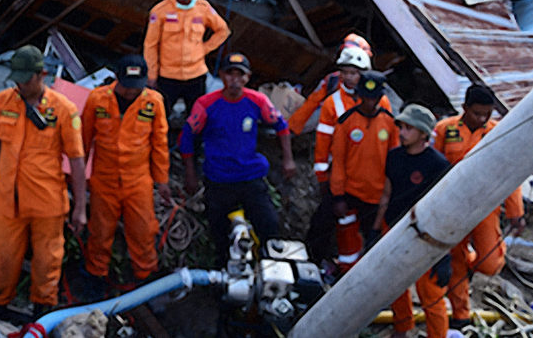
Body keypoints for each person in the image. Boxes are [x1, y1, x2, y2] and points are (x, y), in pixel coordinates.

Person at [0, 45, 87, 313]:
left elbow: (77, 160)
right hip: (8, 201)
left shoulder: (64, 110)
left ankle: (41, 315)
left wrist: (80, 208)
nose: (20, 85)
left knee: (47, 263)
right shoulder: (3, 102)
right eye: (17, 79)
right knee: (2, 261)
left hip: (47, 204)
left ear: (41, 74)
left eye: (26, 79)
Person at [180, 53, 296, 262]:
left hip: (250, 176)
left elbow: (281, 126)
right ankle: (223, 273)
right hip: (219, 179)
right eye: (230, 74)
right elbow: (188, 136)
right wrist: (190, 173)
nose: (234, 80)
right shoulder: (206, 104)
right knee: (219, 233)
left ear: (247, 77)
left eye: (239, 75)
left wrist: (288, 159)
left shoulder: (257, 100)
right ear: (222, 76)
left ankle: (270, 271)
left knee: (269, 225)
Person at [433, 84, 525, 328]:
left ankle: (471, 259)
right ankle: (461, 315)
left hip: (485, 207)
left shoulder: (499, 133)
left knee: (490, 264)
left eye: (487, 114)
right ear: (464, 108)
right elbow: (433, 167)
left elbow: (509, 175)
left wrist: (516, 213)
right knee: (456, 262)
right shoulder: (445, 129)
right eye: (477, 113)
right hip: (453, 207)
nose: (483, 118)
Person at [80, 55, 171, 285]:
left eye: (136, 88)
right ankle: (96, 277)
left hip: (138, 181)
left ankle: (145, 279)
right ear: (116, 78)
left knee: (143, 233)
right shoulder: (97, 99)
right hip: (104, 180)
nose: (132, 92)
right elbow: (82, 142)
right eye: (128, 87)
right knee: (100, 233)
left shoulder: (154, 102)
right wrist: (77, 179)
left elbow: (160, 144)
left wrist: (162, 181)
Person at [291, 45, 385, 264]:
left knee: (370, 228)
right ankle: (313, 262)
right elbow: (323, 143)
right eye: (345, 72)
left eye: (354, 73)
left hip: (372, 178)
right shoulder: (334, 102)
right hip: (341, 174)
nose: (349, 78)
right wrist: (324, 178)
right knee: (324, 222)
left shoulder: (380, 101)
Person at [373, 104, 451, 338]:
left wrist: (443, 255)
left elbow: (445, 209)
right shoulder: (394, 157)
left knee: (431, 293)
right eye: (402, 127)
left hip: (425, 234)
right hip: (394, 227)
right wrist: (376, 231)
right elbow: (386, 194)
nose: (402, 132)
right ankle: (402, 327)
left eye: (409, 128)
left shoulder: (438, 165)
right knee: (393, 283)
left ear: (423, 134)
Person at [142, 0, 231, 123]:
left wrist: (203, 49)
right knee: (160, 117)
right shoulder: (160, 10)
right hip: (168, 76)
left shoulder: (203, 9)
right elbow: (150, 45)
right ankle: (163, 146)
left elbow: (222, 31)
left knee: (197, 117)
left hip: (195, 75)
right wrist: (151, 75)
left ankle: (193, 146)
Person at [329, 70, 397, 266]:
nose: (370, 103)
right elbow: (339, 163)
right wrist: (338, 196)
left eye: (374, 99)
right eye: (366, 98)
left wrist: (389, 194)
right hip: (351, 194)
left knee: (376, 244)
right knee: (347, 241)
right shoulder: (346, 123)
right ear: (359, 96)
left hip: (378, 198)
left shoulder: (390, 123)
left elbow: (394, 162)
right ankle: (344, 274)